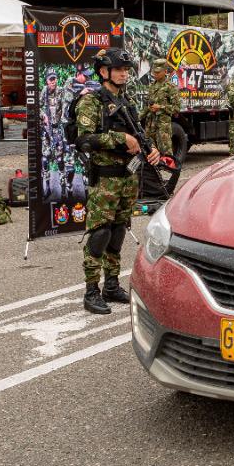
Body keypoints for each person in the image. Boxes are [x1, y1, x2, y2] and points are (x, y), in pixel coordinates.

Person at [73, 48, 160, 315]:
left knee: (119, 229)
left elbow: (139, 133)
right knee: (100, 232)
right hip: (106, 179)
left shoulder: (127, 101)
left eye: (126, 69)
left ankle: (111, 284)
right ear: (103, 72)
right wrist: (121, 140)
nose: (124, 73)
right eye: (119, 69)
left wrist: (151, 148)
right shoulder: (91, 102)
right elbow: (84, 139)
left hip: (127, 178)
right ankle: (91, 290)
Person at [144, 58, 180, 158]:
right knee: (149, 152)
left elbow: (176, 108)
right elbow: (148, 106)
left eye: (158, 72)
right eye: (154, 72)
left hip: (163, 127)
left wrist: (160, 107)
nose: (155, 74)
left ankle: (171, 172)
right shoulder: (152, 86)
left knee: (166, 155)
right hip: (150, 126)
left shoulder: (170, 87)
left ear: (165, 71)